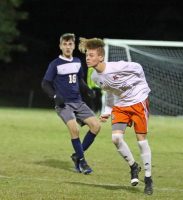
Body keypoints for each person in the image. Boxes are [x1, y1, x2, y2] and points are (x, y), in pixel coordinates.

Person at [78, 37, 153, 195]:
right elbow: (111, 93)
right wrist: (107, 111)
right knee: (116, 139)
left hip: (139, 101)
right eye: (87, 55)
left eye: (91, 55)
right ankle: (133, 166)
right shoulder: (95, 77)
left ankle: (148, 178)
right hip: (121, 105)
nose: (88, 58)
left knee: (141, 142)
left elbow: (138, 67)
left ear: (101, 57)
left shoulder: (118, 66)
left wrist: (142, 87)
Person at [41, 33, 101, 175]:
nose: (67, 47)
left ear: (74, 46)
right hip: (64, 105)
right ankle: (82, 161)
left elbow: (79, 80)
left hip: (78, 102)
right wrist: (55, 96)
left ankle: (76, 156)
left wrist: (87, 90)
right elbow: (45, 83)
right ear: (60, 46)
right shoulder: (55, 64)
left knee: (96, 126)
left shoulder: (77, 62)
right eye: (65, 44)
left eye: (70, 44)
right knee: (75, 129)